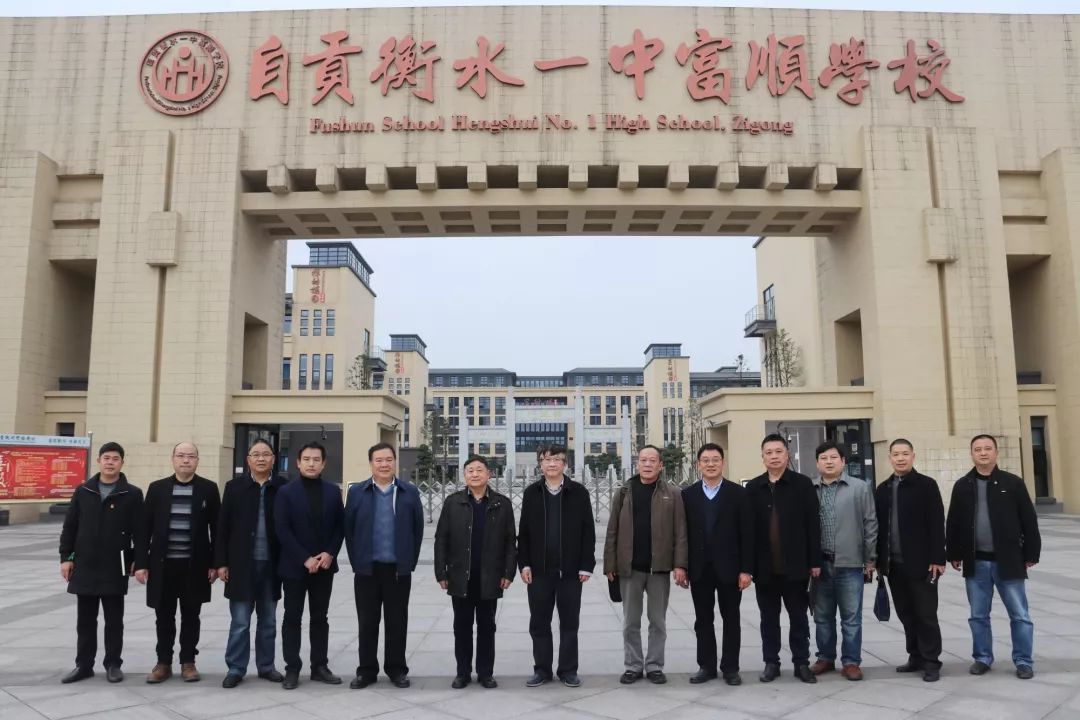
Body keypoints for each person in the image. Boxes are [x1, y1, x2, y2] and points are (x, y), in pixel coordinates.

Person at [946, 434, 1041, 679]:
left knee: (1020, 615)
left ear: (996, 453)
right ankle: (982, 658)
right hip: (976, 562)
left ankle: (1023, 661)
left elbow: (1029, 520)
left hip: (1009, 561)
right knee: (978, 615)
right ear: (972, 454)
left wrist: (1032, 552)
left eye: (988, 448)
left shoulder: (1013, 483)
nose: (983, 453)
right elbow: (953, 522)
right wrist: (953, 552)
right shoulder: (963, 485)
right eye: (978, 449)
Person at [59, 442, 144, 684]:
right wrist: (66, 558)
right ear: (99, 461)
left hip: (114, 565)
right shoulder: (83, 490)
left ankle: (113, 664)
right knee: (85, 620)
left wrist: (138, 560)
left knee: (114, 620)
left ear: (122, 463)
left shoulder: (132, 494)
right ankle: (83, 665)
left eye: (115, 459)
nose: (110, 462)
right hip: (84, 564)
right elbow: (70, 526)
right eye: (106, 458)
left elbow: (140, 531)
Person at [135, 442, 221, 684]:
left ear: (197, 460)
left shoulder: (208, 489)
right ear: (173, 459)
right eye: (181, 455)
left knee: (191, 616)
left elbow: (217, 529)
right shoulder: (157, 489)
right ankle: (163, 663)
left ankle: (188, 662)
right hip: (163, 566)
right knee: (164, 616)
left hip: (195, 566)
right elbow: (144, 529)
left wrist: (216, 563)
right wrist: (141, 563)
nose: (186, 460)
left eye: (191, 456)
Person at [604, 445, 688, 685]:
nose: (647, 464)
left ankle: (654, 666)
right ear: (637, 463)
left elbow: (680, 532)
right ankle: (632, 665)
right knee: (630, 621)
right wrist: (610, 563)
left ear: (660, 465)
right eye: (643, 460)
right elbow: (612, 530)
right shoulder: (624, 492)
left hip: (658, 568)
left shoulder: (673, 494)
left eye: (652, 460)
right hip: (629, 568)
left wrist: (680, 564)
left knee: (657, 622)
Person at [344, 442, 424, 689]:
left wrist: (408, 562)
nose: (384, 464)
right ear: (371, 463)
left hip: (398, 570)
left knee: (397, 622)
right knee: (367, 622)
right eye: (378, 460)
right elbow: (349, 530)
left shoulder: (409, 492)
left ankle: (396, 669)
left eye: (388, 459)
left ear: (395, 462)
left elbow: (417, 529)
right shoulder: (357, 492)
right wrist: (358, 562)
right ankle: (366, 671)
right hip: (367, 570)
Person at [434, 454, 516, 689]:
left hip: (490, 577)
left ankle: (485, 673)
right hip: (461, 576)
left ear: (489, 474)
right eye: (470, 470)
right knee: (461, 627)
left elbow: (510, 541)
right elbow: (441, 539)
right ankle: (462, 672)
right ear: (464, 475)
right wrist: (441, 572)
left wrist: (508, 572)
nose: (475, 474)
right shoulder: (453, 503)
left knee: (487, 627)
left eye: (480, 470)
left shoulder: (502, 503)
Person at [745, 433, 821, 684]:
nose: (774, 456)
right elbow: (748, 531)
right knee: (768, 620)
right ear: (762, 457)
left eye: (779, 452)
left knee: (798, 618)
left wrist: (815, 562)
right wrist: (748, 567)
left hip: (796, 568)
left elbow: (813, 525)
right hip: (765, 570)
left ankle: (801, 663)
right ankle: (771, 663)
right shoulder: (753, 487)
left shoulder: (802, 484)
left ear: (787, 455)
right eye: (769, 453)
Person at [518, 444, 595, 688]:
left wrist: (586, 564)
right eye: (546, 459)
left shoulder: (579, 492)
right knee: (539, 623)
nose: (551, 464)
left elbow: (588, 531)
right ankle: (542, 670)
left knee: (570, 624)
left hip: (570, 572)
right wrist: (524, 564)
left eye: (557, 459)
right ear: (540, 464)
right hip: (539, 572)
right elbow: (524, 532)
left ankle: (568, 670)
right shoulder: (532, 493)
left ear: (565, 464)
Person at [216, 439, 288, 688]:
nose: (261, 458)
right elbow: (222, 528)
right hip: (240, 566)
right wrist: (221, 562)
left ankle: (266, 666)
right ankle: (235, 668)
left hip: (271, 566)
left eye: (266, 454)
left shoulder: (282, 487)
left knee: (268, 621)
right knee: (240, 622)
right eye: (256, 454)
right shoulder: (234, 487)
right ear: (248, 459)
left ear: (273, 459)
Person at [875, 438, 946, 682]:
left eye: (905, 453)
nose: (900, 458)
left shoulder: (926, 485)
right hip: (894, 566)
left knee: (926, 614)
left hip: (923, 564)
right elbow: (878, 527)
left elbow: (937, 523)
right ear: (890, 458)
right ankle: (915, 656)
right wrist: (878, 560)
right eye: (896, 454)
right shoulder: (883, 489)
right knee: (906, 613)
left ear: (913, 456)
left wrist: (938, 557)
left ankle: (931, 661)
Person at [681, 443, 753, 686]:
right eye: (705, 460)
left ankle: (730, 668)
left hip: (730, 568)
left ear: (723, 462)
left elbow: (747, 534)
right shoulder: (688, 495)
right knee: (703, 620)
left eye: (715, 460)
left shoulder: (739, 494)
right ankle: (707, 666)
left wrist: (746, 569)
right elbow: (683, 534)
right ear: (698, 464)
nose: (710, 464)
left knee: (731, 619)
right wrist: (682, 566)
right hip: (699, 568)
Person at [275, 441, 345, 689]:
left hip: (324, 567)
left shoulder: (333, 491)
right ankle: (292, 668)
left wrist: (330, 553)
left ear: (323, 464)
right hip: (295, 567)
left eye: (316, 459)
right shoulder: (285, 492)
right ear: (298, 462)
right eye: (306, 459)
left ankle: (319, 667)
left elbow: (340, 526)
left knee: (320, 617)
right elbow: (282, 530)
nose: (311, 463)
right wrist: (304, 558)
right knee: (292, 617)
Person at [809, 441, 877, 681]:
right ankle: (825, 657)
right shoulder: (810, 489)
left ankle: (851, 662)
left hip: (850, 563)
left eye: (833, 457)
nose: (829, 462)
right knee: (822, 617)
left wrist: (870, 559)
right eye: (824, 458)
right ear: (817, 463)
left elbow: (870, 523)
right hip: (820, 565)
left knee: (851, 618)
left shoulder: (859, 488)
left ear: (843, 461)